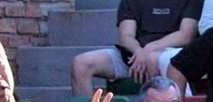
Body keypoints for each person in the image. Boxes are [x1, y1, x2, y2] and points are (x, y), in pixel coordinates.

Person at [70, 0, 202, 96]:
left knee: (153, 59)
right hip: (133, 56)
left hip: (171, 54)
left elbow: (186, 35)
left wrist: (149, 49)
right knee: (80, 64)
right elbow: (126, 36)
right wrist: (139, 51)